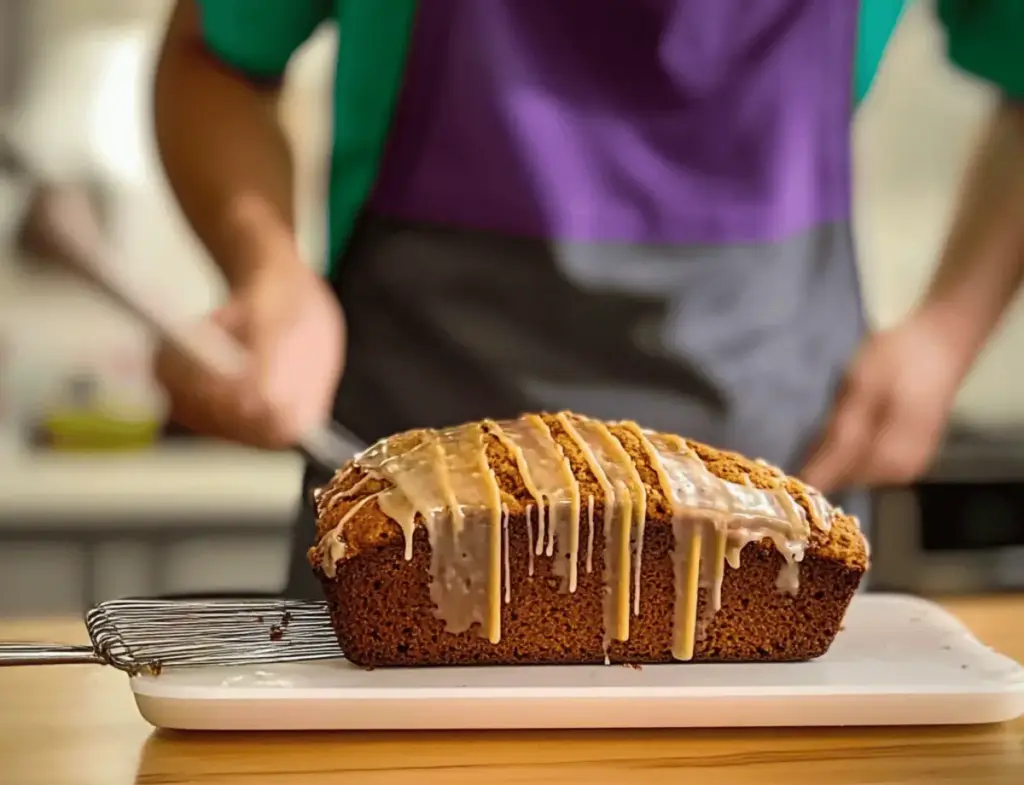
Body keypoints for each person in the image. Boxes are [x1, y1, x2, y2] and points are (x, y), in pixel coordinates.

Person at [153, 0, 1024, 599]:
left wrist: (947, 335)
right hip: (409, 499)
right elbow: (212, 56)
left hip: (777, 493)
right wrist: (268, 268)